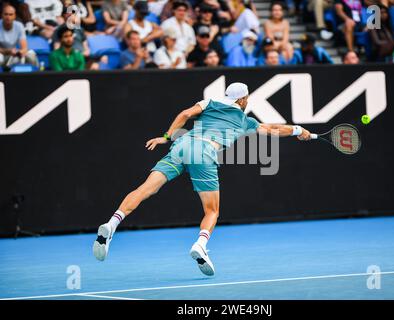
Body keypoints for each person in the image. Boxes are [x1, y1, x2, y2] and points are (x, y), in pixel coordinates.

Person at [92, 82, 312, 277]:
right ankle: (201, 243)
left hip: (182, 145)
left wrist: (166, 137)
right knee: (212, 210)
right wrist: (297, 129)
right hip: (204, 151)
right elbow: (273, 129)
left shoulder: (210, 103)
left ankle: (112, 224)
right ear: (243, 99)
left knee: (145, 189)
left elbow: (185, 114)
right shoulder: (246, 120)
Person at [0, 3, 37, 68]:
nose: (8, 17)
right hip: (2, 53)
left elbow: (24, 47)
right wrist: (8, 51)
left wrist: (20, 52)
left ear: (14, 16)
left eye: (11, 14)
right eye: (6, 14)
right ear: (2, 15)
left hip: (13, 53)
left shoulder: (19, 25)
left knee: (31, 54)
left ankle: (36, 75)